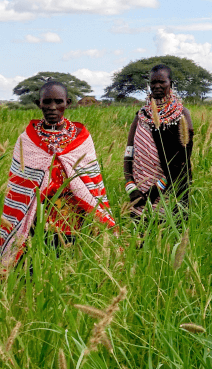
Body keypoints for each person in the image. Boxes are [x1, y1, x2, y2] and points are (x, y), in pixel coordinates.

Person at [1, 81, 117, 275]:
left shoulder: (81, 138)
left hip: (69, 216)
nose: (52, 107)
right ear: (39, 104)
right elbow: (18, 184)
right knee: (31, 267)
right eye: (47, 102)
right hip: (36, 216)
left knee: (64, 265)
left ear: (67, 103)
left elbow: (91, 178)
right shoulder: (27, 139)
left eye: (58, 102)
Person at [124, 65, 194, 219]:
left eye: (161, 82)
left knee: (170, 236)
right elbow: (129, 152)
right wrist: (131, 186)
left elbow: (183, 160)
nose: (156, 86)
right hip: (140, 195)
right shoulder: (141, 115)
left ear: (171, 83)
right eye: (153, 82)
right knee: (139, 238)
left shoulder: (182, 114)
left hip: (171, 191)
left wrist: (156, 190)